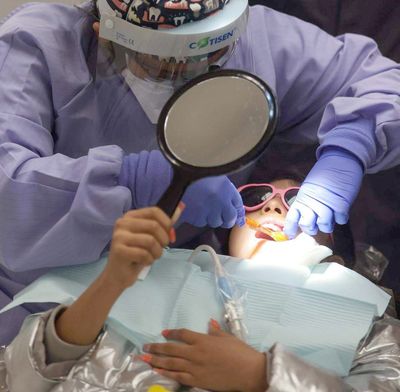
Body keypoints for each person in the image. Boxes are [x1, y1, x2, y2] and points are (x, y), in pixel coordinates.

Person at [1, 0, 400, 346]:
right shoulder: (38, 46)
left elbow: (379, 81)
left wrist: (352, 145)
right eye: (161, 62)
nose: (187, 72)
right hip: (40, 314)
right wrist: (134, 179)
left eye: (211, 54)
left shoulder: (262, 42)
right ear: (104, 32)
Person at [2, 178, 399, 391]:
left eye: (297, 201)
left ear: (337, 254)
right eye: (257, 197)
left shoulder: (367, 327)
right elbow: (19, 380)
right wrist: (110, 282)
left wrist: (263, 377)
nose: (275, 207)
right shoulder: (150, 282)